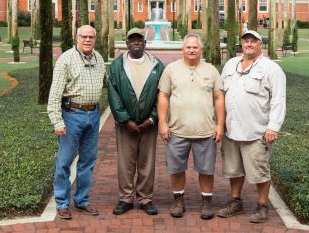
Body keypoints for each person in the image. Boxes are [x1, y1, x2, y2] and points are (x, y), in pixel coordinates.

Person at [218, 30, 286, 223]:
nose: (249, 44)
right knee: (234, 170)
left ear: (260, 44)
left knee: (260, 171)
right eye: (246, 41)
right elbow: (221, 94)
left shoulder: (271, 69)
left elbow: (278, 100)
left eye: (253, 41)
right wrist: (220, 123)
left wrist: (273, 127)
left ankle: (262, 205)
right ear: (242, 43)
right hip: (231, 130)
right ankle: (235, 201)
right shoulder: (231, 64)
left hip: (256, 130)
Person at [158, 34, 225, 220]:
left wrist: (220, 124)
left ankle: (206, 202)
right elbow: (163, 96)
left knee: (206, 169)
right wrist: (163, 123)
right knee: (176, 168)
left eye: (195, 47)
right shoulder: (171, 70)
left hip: (205, 131)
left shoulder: (211, 70)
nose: (192, 50)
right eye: (188, 47)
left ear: (200, 49)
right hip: (177, 130)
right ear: (183, 49)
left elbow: (219, 98)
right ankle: (178, 200)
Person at [47, 25, 106, 220]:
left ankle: (82, 200)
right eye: (84, 36)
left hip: (94, 114)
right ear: (77, 38)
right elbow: (55, 93)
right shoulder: (66, 59)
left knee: (88, 161)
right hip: (72, 115)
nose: (88, 40)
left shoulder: (98, 58)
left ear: (95, 39)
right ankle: (62, 203)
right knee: (64, 162)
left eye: (91, 37)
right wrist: (57, 121)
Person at [108, 28, 164, 216]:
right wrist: (125, 120)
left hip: (149, 125)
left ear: (145, 43)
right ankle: (125, 198)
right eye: (132, 40)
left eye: (139, 39)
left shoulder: (157, 65)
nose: (136, 43)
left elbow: (161, 95)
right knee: (125, 162)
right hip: (125, 126)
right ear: (127, 43)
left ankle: (145, 198)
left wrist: (152, 118)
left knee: (147, 162)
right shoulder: (117, 65)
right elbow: (113, 94)